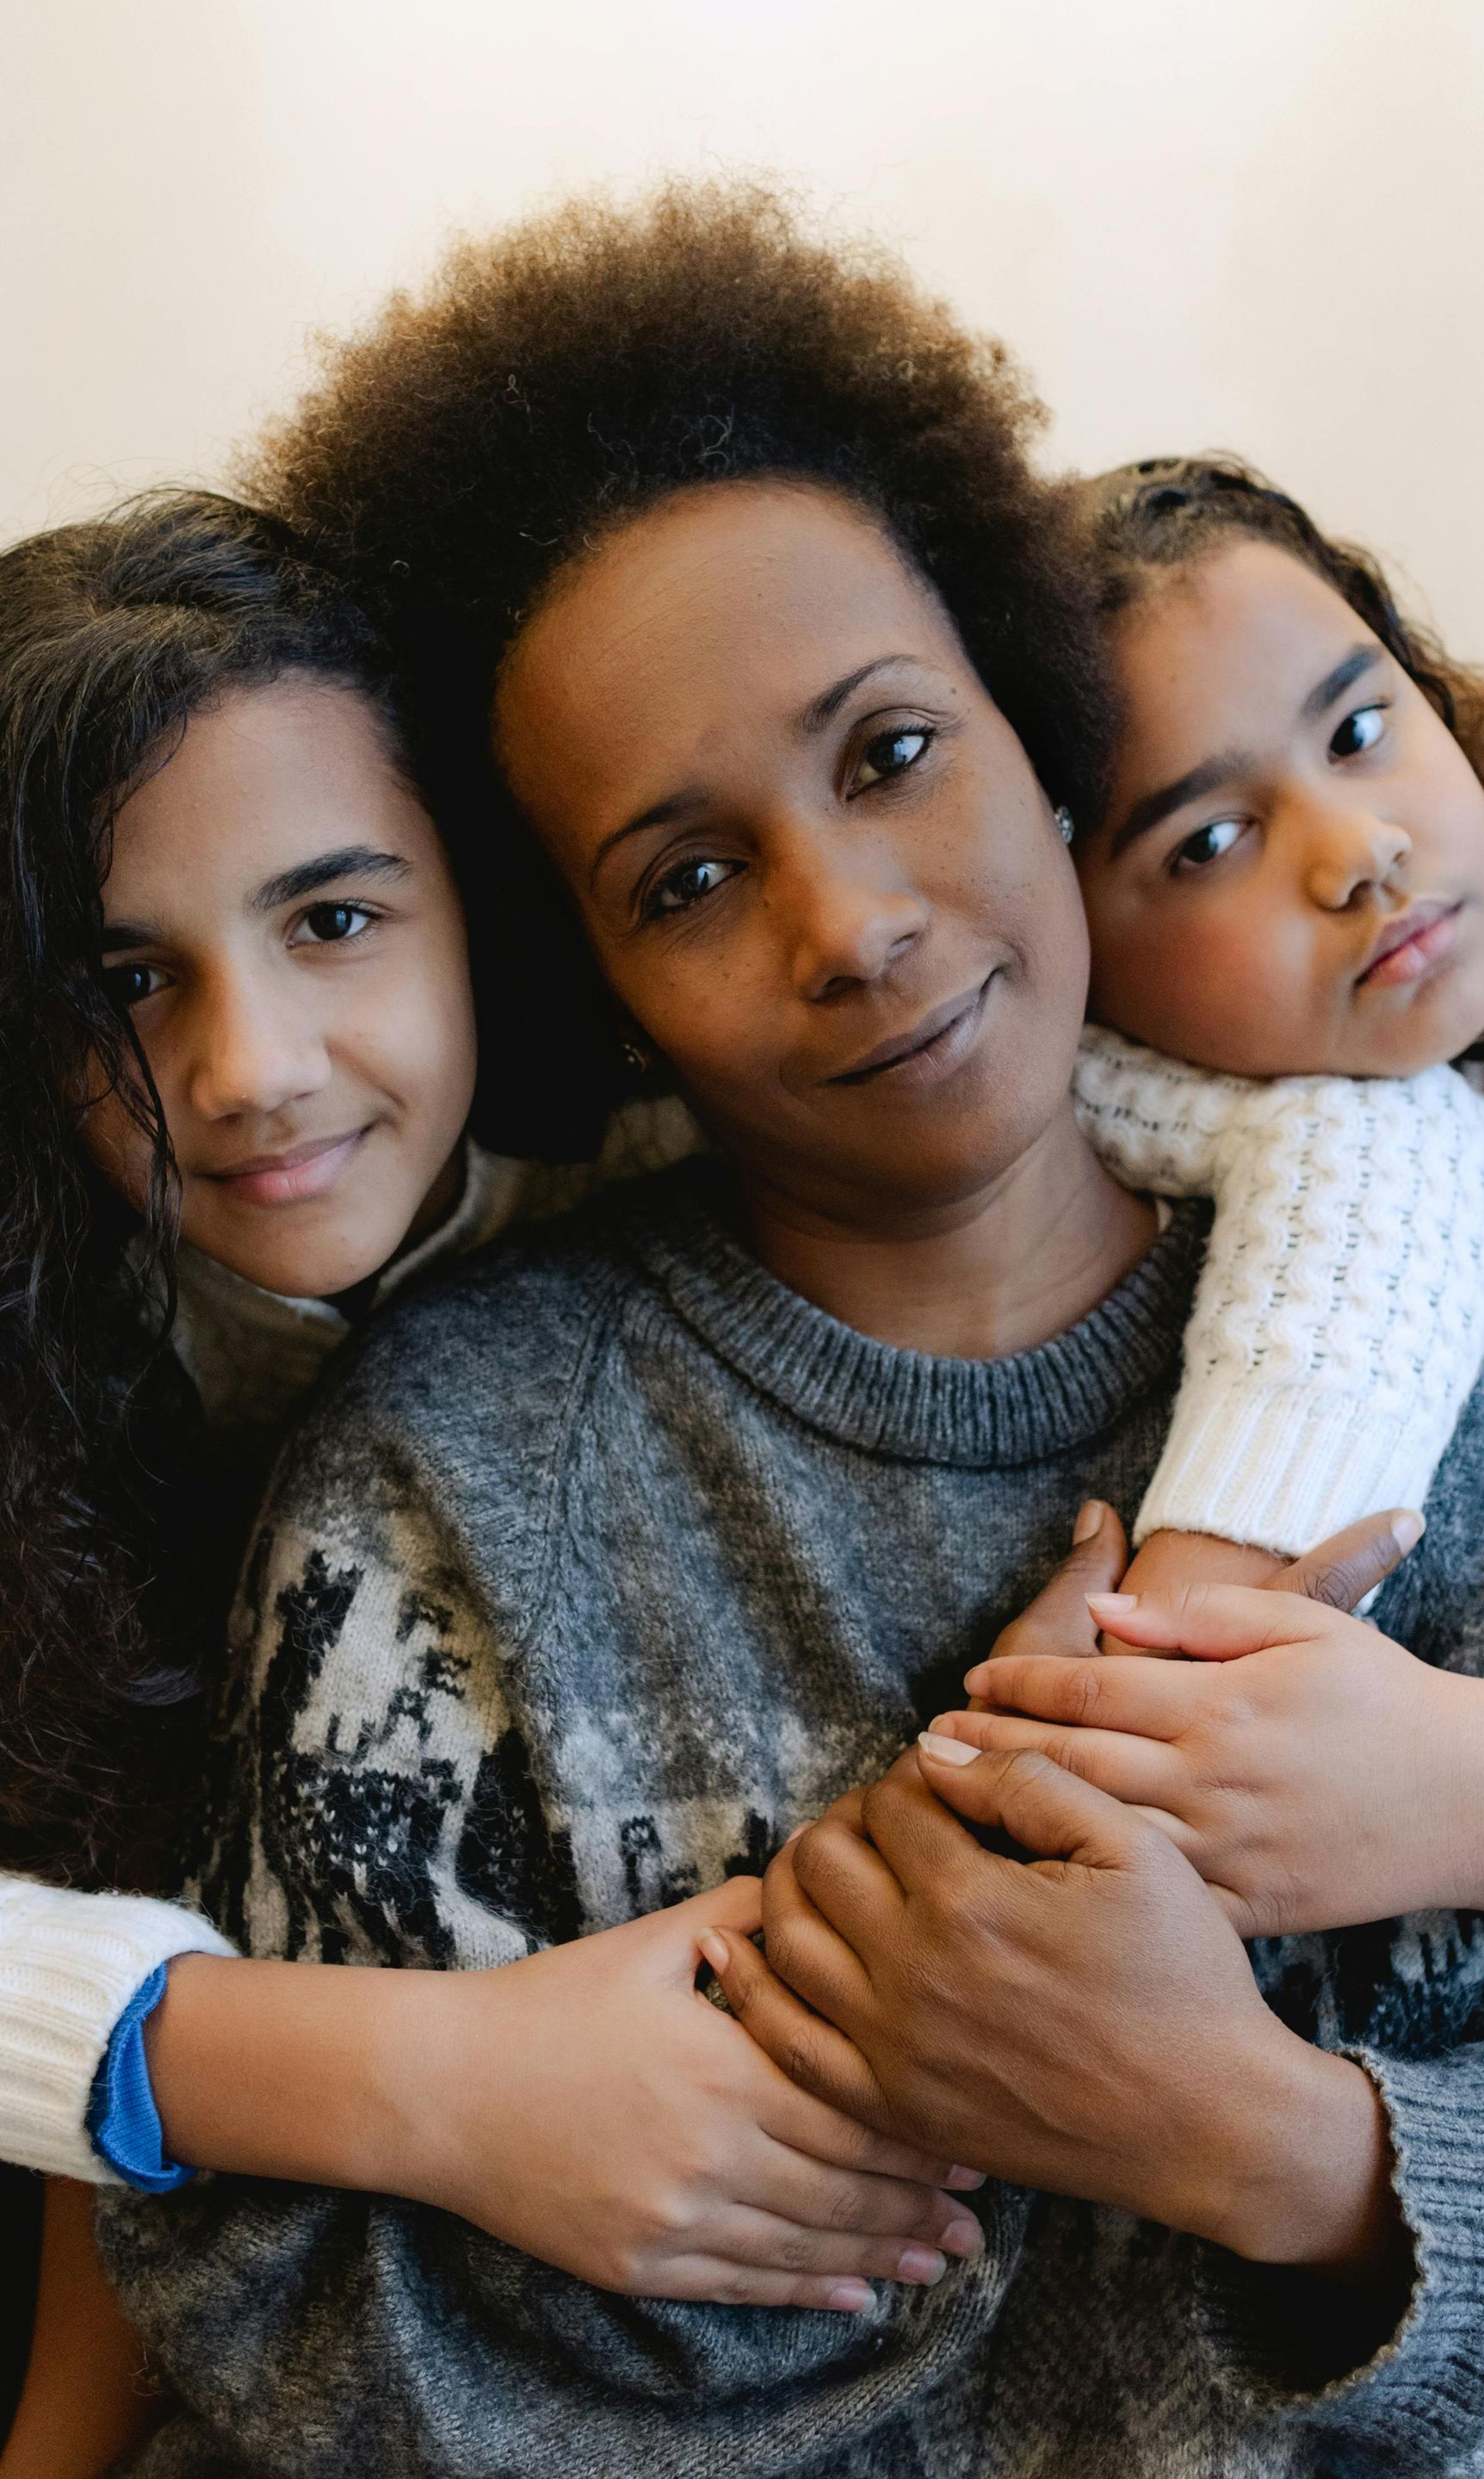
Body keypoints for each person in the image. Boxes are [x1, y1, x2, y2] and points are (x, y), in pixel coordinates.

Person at [90, 181, 1484, 2477]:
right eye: (688, 879)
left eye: (895, 752)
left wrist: (1266, 2146)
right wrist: (839, 2128)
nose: (849, 923)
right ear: (585, 983)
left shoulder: (1451, 1443)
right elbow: (270, 2287)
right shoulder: (452, 1486)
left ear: (1044, 742)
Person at [0, 495, 968, 2472]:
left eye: (333, 919)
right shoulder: (51, 1309)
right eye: (126, 984)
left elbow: (1261, 1123)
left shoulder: (698, 1147)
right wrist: (433, 2085)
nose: (252, 1069)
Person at [922, 455, 1484, 1953]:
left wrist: (1470, 1781)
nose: (1359, 851)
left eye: (1363, 729)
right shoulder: (1030, 1116)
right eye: (1208, 842)